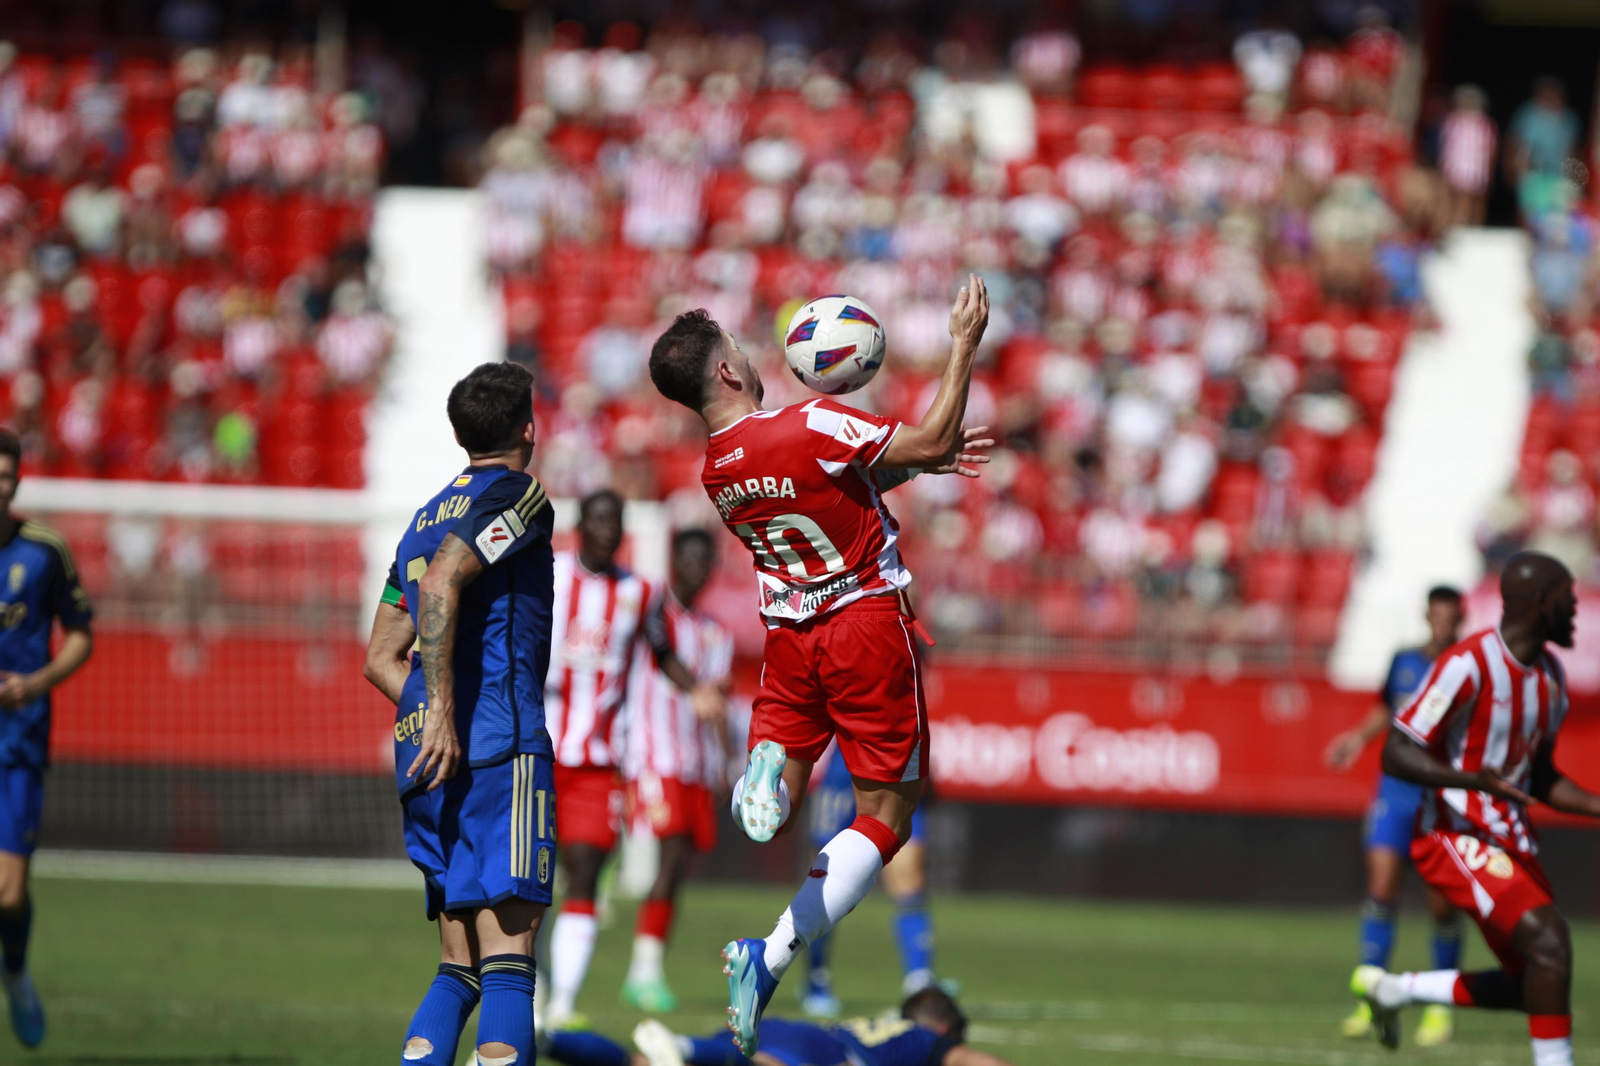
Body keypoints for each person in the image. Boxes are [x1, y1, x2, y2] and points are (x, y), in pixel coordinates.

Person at [647, 276, 993, 1053]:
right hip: (863, 627)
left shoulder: (718, 470)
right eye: (740, 349)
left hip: (791, 644)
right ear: (729, 371)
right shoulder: (811, 422)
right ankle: (767, 957)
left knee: (791, 800)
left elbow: (843, 484)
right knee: (887, 819)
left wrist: (910, 464)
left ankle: (762, 783)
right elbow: (931, 441)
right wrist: (964, 343)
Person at [1351, 551, 1600, 1066]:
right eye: (1567, 600)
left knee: (1532, 982)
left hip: (1510, 840)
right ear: (1539, 604)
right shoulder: (1467, 665)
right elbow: (1398, 749)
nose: (1575, 610)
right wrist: (1469, 780)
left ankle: (1396, 991)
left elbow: (1541, 777)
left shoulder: (1550, 676)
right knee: (1552, 942)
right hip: (1451, 833)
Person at [386, 361, 558, 1066]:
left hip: (429, 761)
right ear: (528, 427)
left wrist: (429, 716)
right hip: (497, 747)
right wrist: (448, 715)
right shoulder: (522, 496)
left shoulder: (422, 518)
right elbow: (445, 586)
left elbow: (377, 655)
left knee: (457, 963)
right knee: (509, 957)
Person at [543, 490, 720, 1027]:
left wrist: (695, 690)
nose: (607, 530)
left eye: (615, 523)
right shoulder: (548, 574)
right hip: (537, 749)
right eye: (598, 520)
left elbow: (662, 649)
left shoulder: (639, 593)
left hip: (600, 760)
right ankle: (525, 990)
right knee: (529, 877)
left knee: (586, 872)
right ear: (580, 526)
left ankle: (562, 1003)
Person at [1324, 585, 1465, 1046]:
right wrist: (1355, 738)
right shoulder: (1404, 660)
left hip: (1441, 798)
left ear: (1459, 619)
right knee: (1381, 888)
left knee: (1441, 903)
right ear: (1427, 617)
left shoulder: (1467, 669)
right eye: (1436, 616)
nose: (1442, 624)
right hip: (1395, 790)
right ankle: (1372, 998)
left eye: (1450, 617)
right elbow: (1388, 707)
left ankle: (1439, 1009)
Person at [0, 429, 93, 1049]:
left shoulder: (45, 550)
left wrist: (35, 684)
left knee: (8, 895)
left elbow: (82, 634)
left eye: (5, 477)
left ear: (17, 482)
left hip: (19, 741)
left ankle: (16, 974)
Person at [620, 527, 733, 1013]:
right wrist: (697, 692)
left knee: (679, 864)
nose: (696, 568)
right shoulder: (650, 612)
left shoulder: (715, 631)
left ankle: (645, 966)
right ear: (673, 560)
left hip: (695, 762)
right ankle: (642, 972)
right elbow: (659, 658)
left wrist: (728, 759)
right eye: (688, 558)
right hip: (652, 753)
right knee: (666, 858)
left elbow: (718, 701)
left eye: (704, 560)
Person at [801, 743, 941, 1016]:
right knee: (824, 882)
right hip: (845, 772)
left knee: (910, 880)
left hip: (900, 767)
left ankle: (919, 981)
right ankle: (816, 977)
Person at [542, 987, 1018, 1066]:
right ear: (942, 1027)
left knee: (636, 1062)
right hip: (813, 1052)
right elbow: (969, 1060)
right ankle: (682, 1048)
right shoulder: (918, 1041)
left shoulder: (866, 1028)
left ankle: (542, 1038)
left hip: (784, 1031)